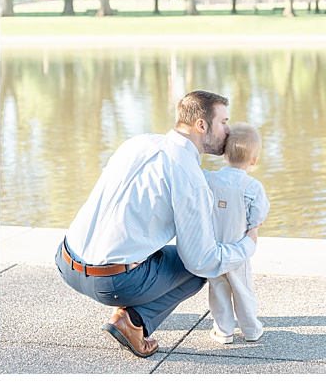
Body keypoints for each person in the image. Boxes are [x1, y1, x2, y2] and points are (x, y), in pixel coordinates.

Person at [55, 91, 258, 359]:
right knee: (194, 268)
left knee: (153, 242)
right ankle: (135, 321)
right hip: (109, 282)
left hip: (65, 261)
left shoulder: (137, 143)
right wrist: (247, 245)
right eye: (223, 122)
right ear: (201, 125)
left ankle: (129, 302)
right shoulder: (190, 176)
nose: (228, 130)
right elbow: (202, 261)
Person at [204, 122, 270, 343]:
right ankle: (251, 329)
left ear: (224, 155)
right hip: (238, 248)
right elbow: (258, 216)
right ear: (253, 160)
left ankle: (224, 331)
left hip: (213, 248)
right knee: (243, 290)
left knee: (218, 289)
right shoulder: (252, 187)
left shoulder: (209, 179)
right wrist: (253, 227)